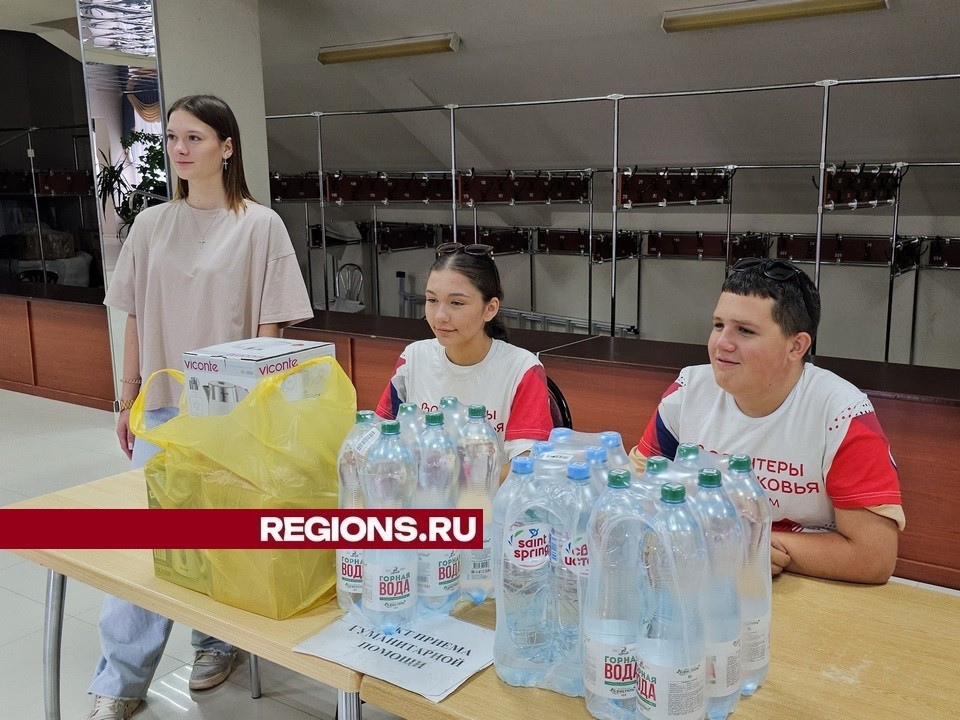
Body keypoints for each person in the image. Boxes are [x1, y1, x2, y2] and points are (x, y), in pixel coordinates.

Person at [89, 95, 313, 720]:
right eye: (174, 139)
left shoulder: (259, 226)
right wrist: (126, 394)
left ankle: (216, 643)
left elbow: (271, 329)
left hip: (232, 414)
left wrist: (257, 414)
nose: (181, 150)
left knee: (224, 540)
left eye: (195, 137)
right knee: (156, 546)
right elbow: (134, 314)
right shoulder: (152, 224)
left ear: (227, 146)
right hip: (165, 408)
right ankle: (121, 682)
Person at [630, 257, 904, 585]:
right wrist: (732, 546)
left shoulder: (841, 413)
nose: (721, 343)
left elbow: (874, 557)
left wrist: (752, 546)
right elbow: (636, 498)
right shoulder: (687, 392)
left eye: (745, 331)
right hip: (707, 579)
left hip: (808, 588)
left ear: (796, 346)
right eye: (718, 325)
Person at [376, 242, 552, 460]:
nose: (440, 316)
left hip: (489, 494)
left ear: (490, 309)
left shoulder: (522, 369)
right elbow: (381, 438)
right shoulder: (412, 360)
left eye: (456, 303)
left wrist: (456, 483)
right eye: (432, 300)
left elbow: (527, 465)